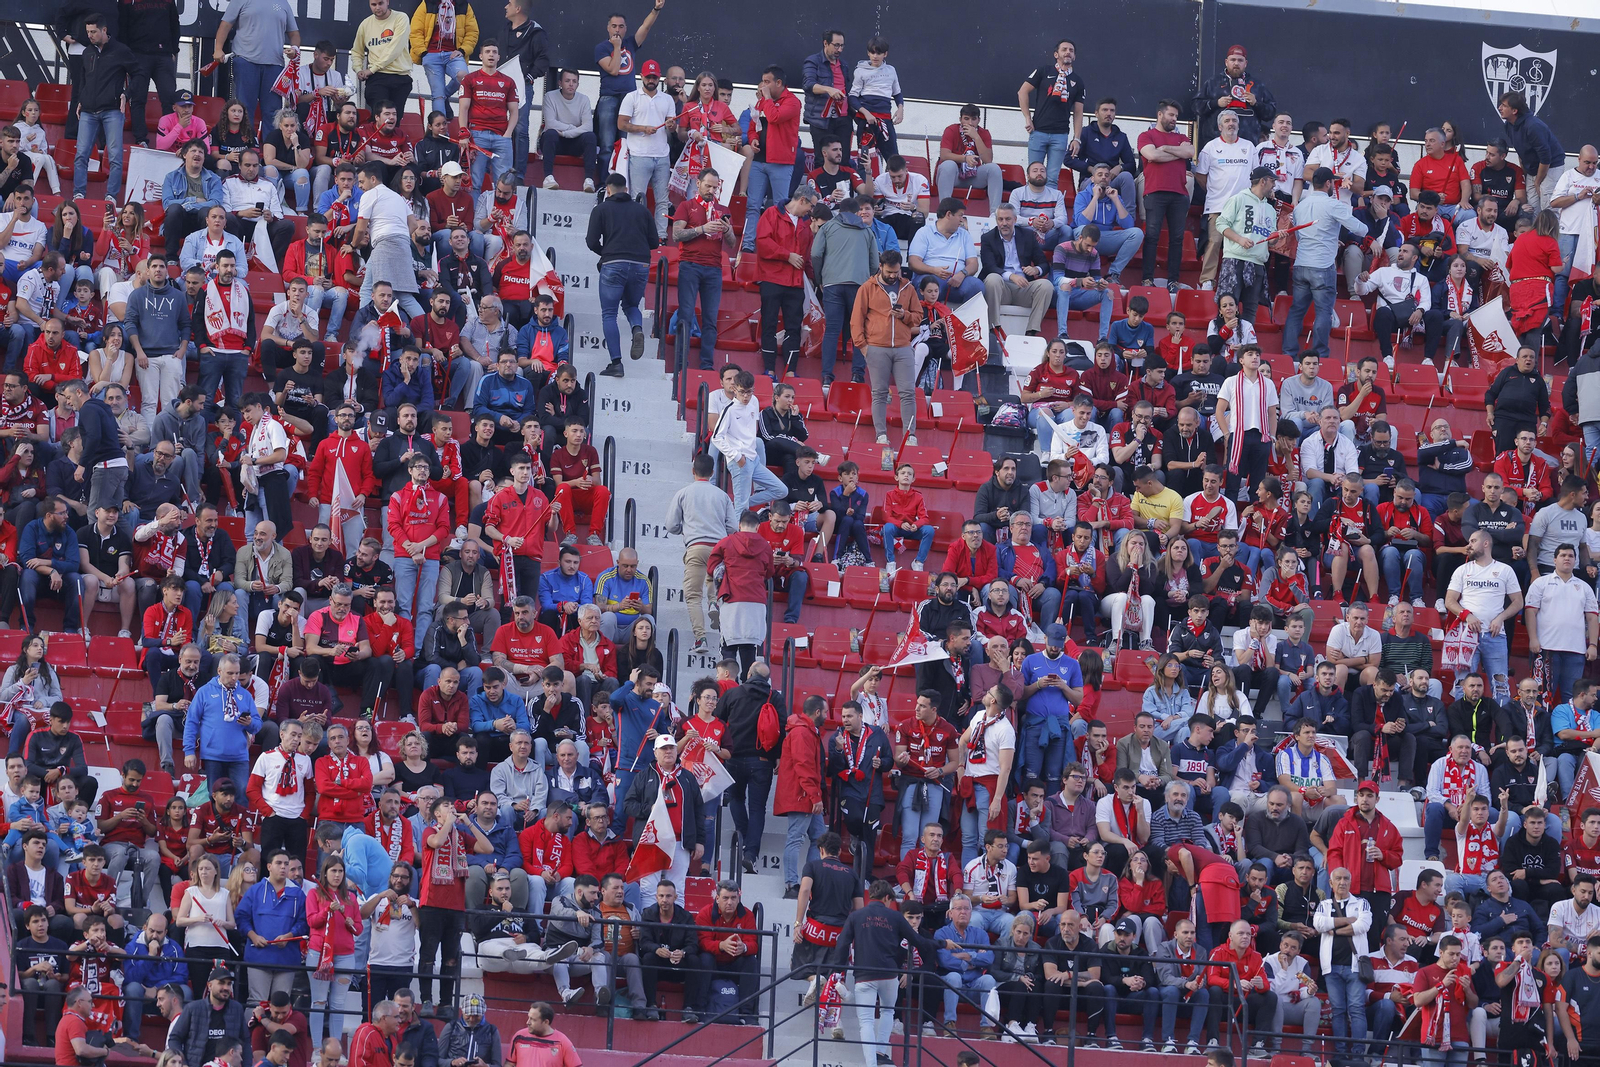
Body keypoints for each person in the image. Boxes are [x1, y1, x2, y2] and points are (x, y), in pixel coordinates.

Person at [586, 172, 658, 378]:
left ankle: (616, 363)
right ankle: (637, 328)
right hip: (641, 264)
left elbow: (591, 241)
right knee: (631, 305)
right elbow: (654, 242)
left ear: (608, 190)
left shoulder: (601, 209)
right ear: (626, 189)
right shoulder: (642, 210)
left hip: (613, 264)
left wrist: (607, 252)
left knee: (609, 314)